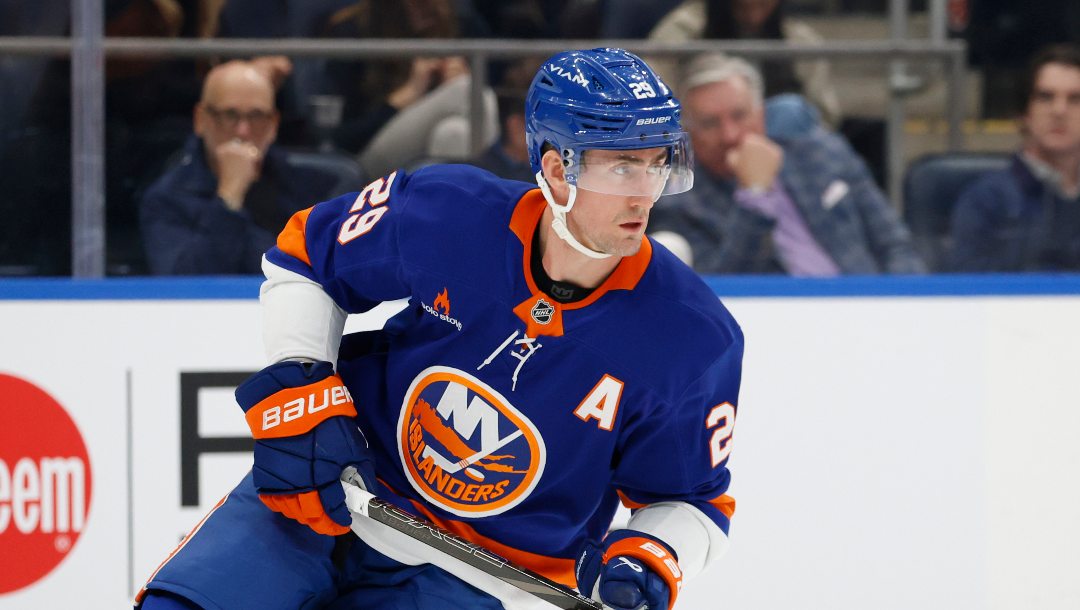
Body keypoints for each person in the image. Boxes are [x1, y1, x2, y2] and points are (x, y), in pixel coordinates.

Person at [135, 48, 742, 610]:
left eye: (658, 163)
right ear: (557, 169)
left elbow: (692, 499)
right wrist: (302, 380)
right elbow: (307, 259)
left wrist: (654, 554)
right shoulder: (449, 212)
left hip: (478, 577)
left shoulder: (690, 338)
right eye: (622, 166)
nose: (645, 194)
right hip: (333, 497)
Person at [649, 53, 925, 275]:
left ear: (761, 115)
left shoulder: (822, 152)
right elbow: (722, 290)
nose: (729, 135)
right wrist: (754, 195)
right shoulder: (678, 203)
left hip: (866, 304)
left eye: (739, 115)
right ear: (688, 133)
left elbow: (894, 244)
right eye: (710, 123)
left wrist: (903, 303)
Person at [139, 60, 355, 275]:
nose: (243, 131)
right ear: (201, 120)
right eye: (230, 115)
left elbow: (334, 272)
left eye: (256, 116)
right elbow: (180, 288)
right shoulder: (166, 199)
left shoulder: (316, 189)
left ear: (273, 125)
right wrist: (229, 198)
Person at [949, 44, 1080, 272]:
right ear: (1024, 114)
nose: (1060, 110)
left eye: (1075, 99)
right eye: (1045, 97)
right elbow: (968, 293)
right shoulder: (986, 200)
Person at [647, 0, 841, 128]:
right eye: (744, 8)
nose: (754, 18)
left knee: (789, 110)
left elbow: (825, 117)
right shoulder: (683, 31)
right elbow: (652, 103)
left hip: (782, 150)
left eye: (763, 7)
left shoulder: (800, 40)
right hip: (700, 142)